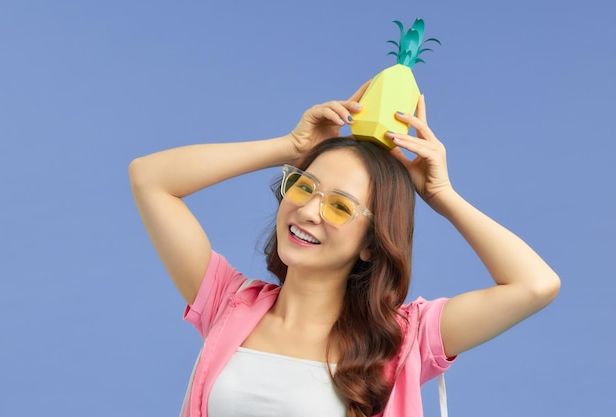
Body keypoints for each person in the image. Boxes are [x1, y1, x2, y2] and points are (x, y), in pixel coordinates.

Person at [129, 83, 560, 417]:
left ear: (372, 245)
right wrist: (291, 147)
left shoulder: (404, 338)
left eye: (339, 206)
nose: (309, 211)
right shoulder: (228, 303)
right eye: (304, 186)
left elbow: (535, 285)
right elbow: (149, 177)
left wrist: (442, 194)